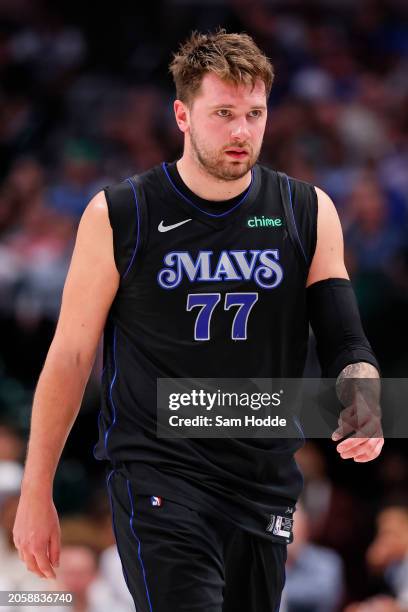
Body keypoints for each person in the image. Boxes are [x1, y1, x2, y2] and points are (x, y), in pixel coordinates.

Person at [13, 29, 384, 612]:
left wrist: (363, 399)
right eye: (224, 113)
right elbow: (71, 355)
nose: (241, 131)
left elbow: (345, 338)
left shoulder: (305, 210)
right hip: (160, 475)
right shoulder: (122, 212)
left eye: (255, 114)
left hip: (262, 481)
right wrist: (37, 491)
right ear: (183, 115)